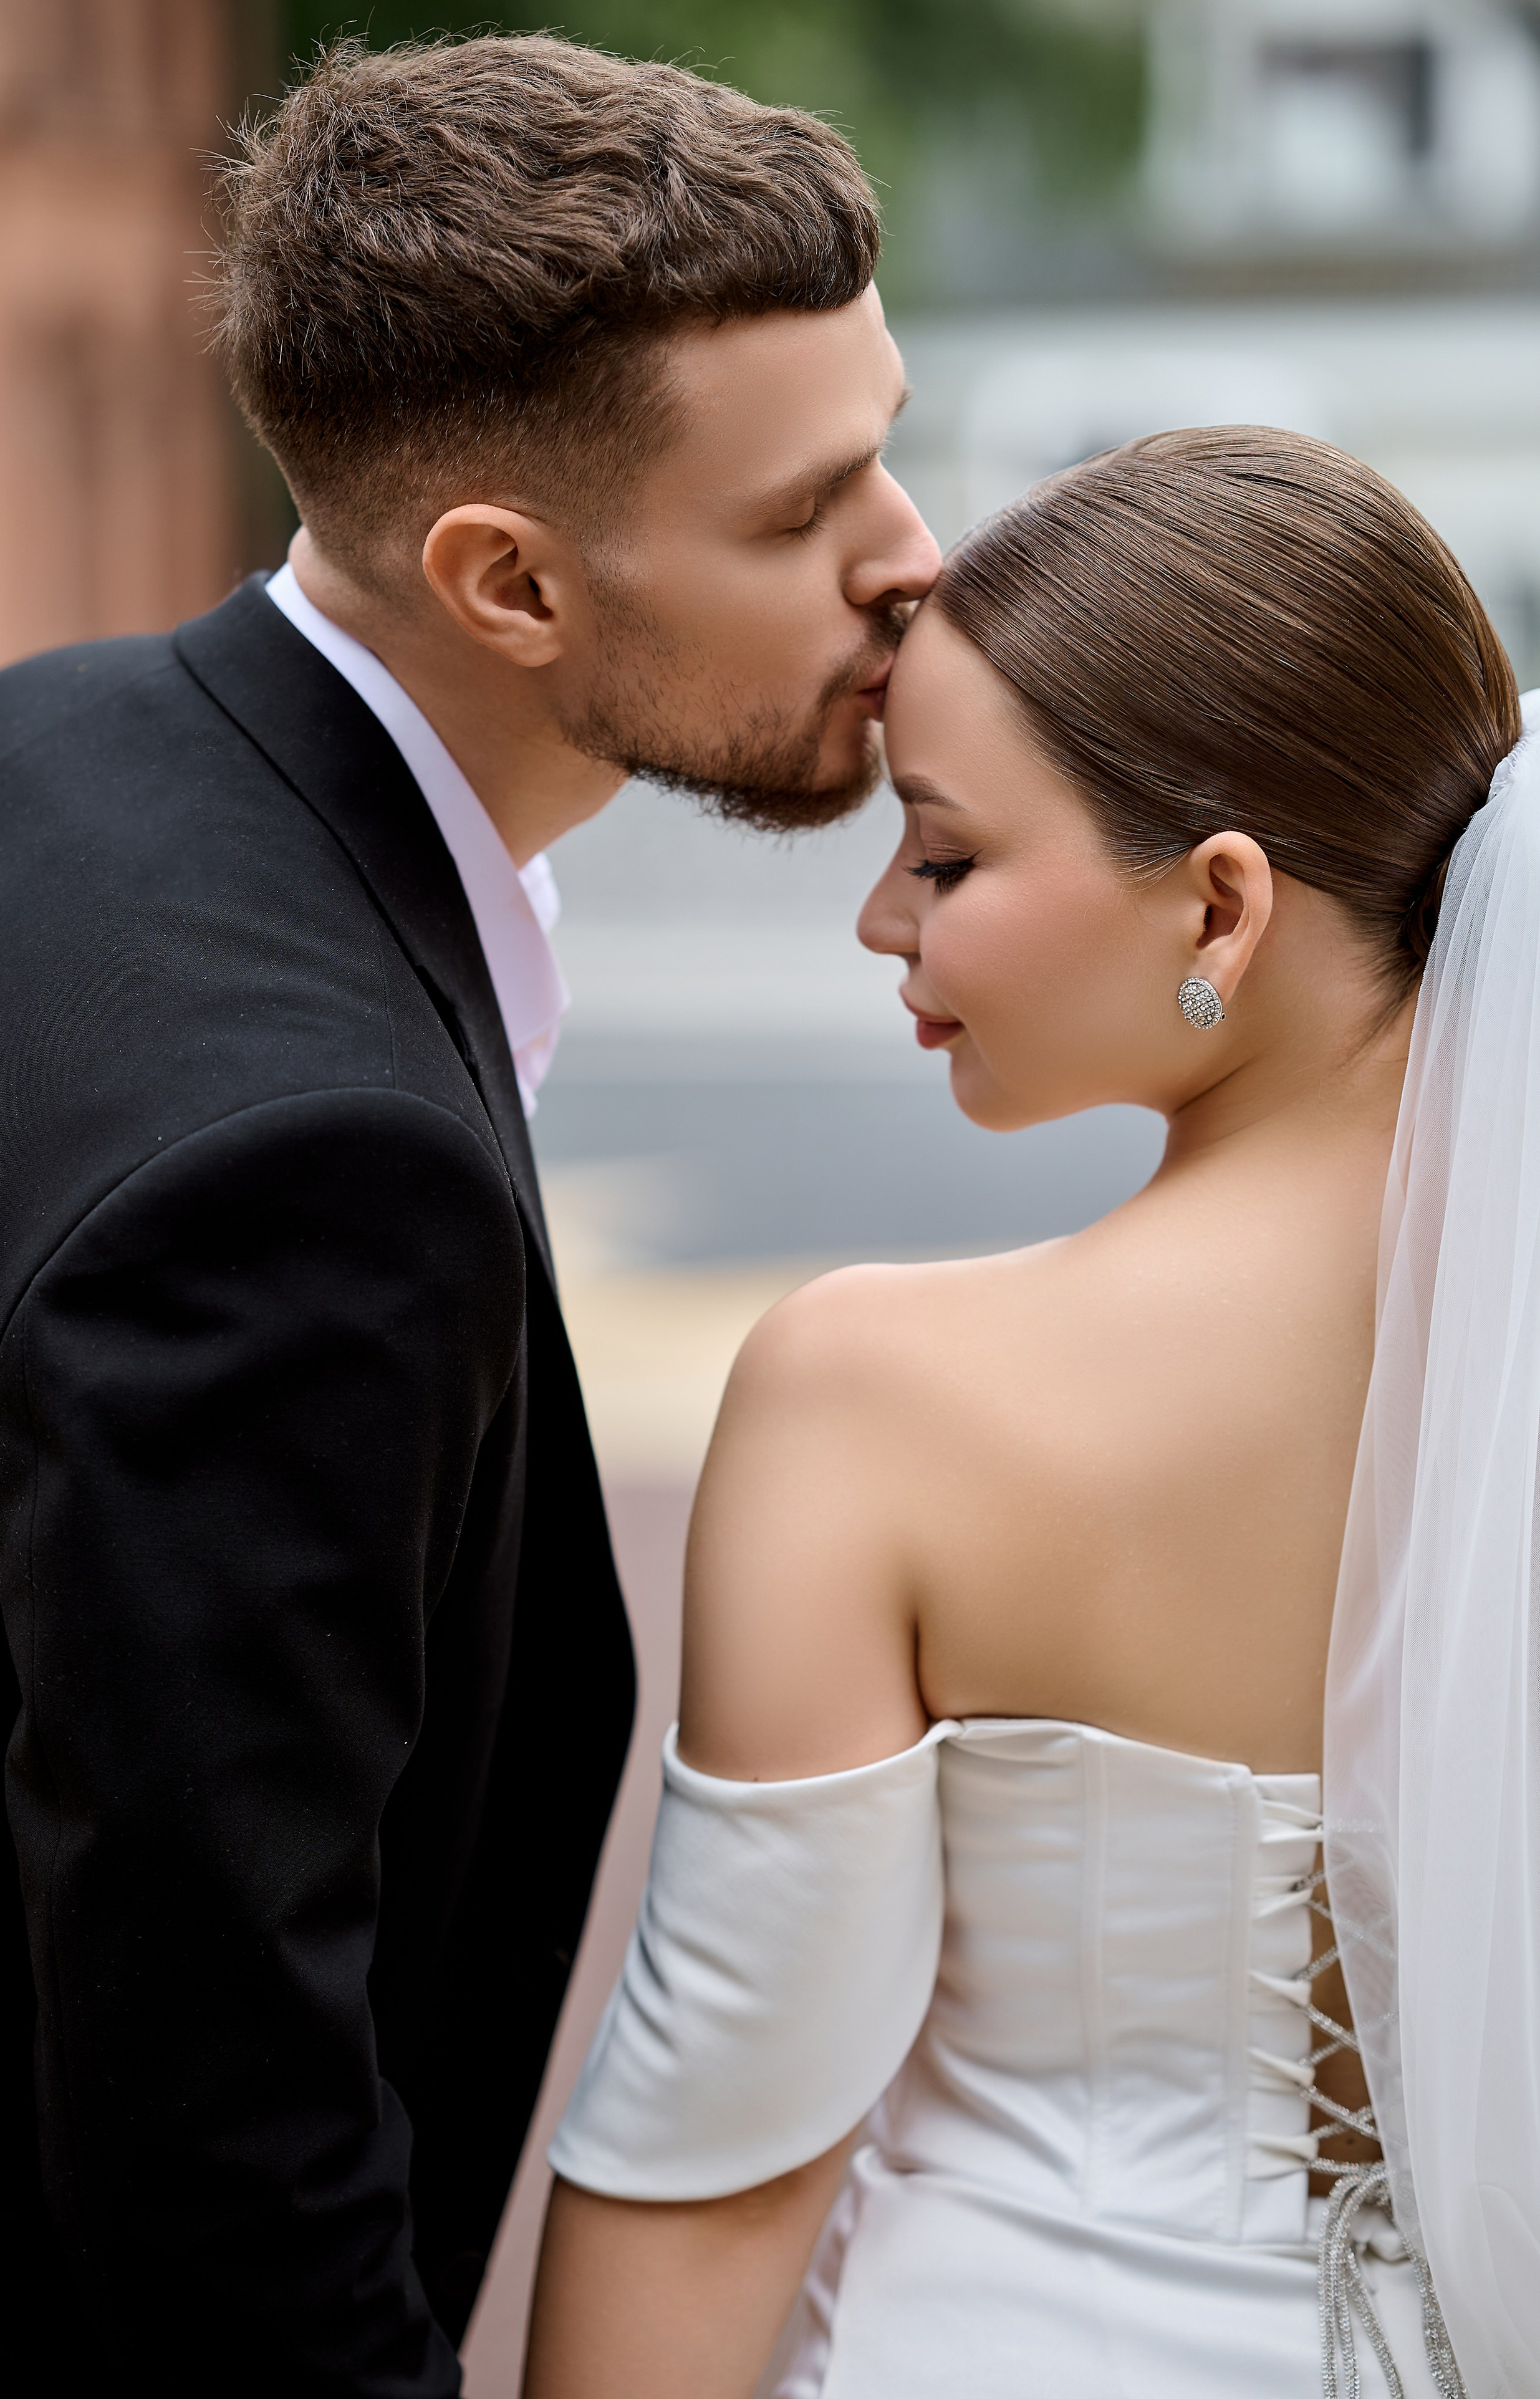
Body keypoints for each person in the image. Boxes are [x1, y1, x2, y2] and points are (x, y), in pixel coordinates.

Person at [0, 34, 936, 2399]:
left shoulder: (55, 733)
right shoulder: (306, 1180)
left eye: (887, 440)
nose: (915, 554)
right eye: (808, 512)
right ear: (508, 582)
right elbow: (225, 2147)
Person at [526, 426, 1540, 2397]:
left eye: (949, 854)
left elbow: (718, 2164)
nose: (882, 922)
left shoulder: (878, 1398)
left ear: (1222, 907)